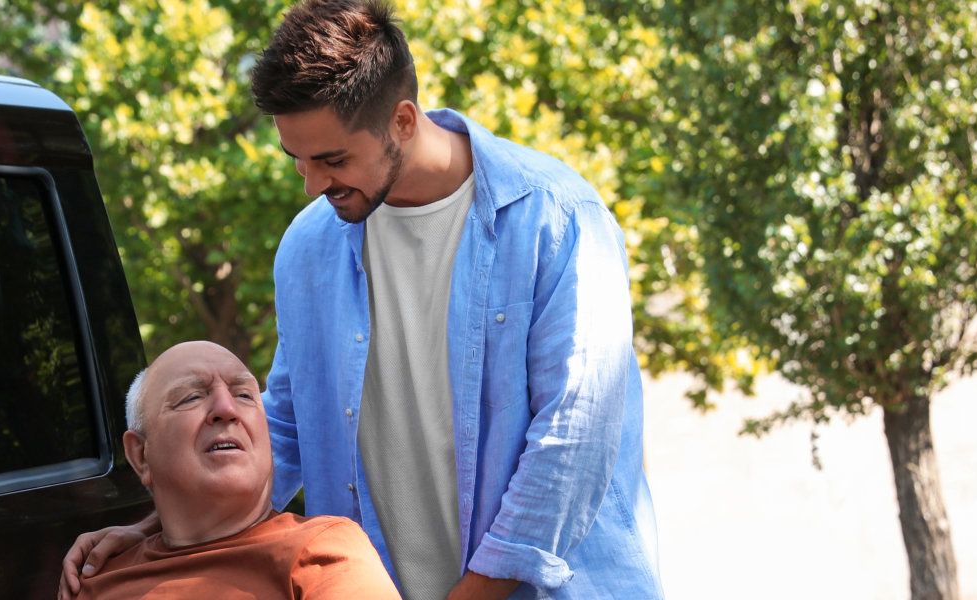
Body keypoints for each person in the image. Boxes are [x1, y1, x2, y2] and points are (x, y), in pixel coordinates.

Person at [63, 1, 662, 598]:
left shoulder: (554, 219)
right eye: (296, 160)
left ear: (403, 121)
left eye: (332, 160)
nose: (313, 184)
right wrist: (152, 531)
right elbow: (286, 426)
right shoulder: (308, 248)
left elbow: (574, 443)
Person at [73, 340, 400, 600]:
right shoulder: (95, 577)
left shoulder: (319, 550)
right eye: (191, 397)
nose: (226, 409)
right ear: (141, 455)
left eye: (245, 395)